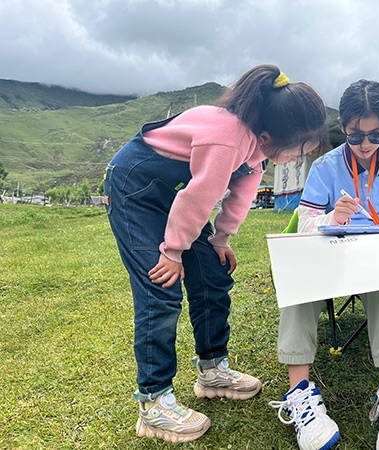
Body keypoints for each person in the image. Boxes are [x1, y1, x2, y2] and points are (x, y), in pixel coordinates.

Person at [103, 64, 328, 443]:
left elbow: (240, 196)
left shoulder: (257, 150)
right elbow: (198, 196)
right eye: (300, 149)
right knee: (160, 287)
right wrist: (172, 251)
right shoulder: (228, 137)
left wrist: (221, 240)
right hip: (135, 189)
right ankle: (154, 403)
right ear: (269, 136)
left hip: (174, 194)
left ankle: (212, 371)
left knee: (213, 272)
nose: (298, 157)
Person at [269, 79, 379, 450]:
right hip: (330, 256)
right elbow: (306, 224)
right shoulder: (325, 166)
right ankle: (299, 393)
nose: (365, 145)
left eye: (376, 135)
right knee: (299, 272)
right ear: (343, 127)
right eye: (355, 136)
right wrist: (331, 218)